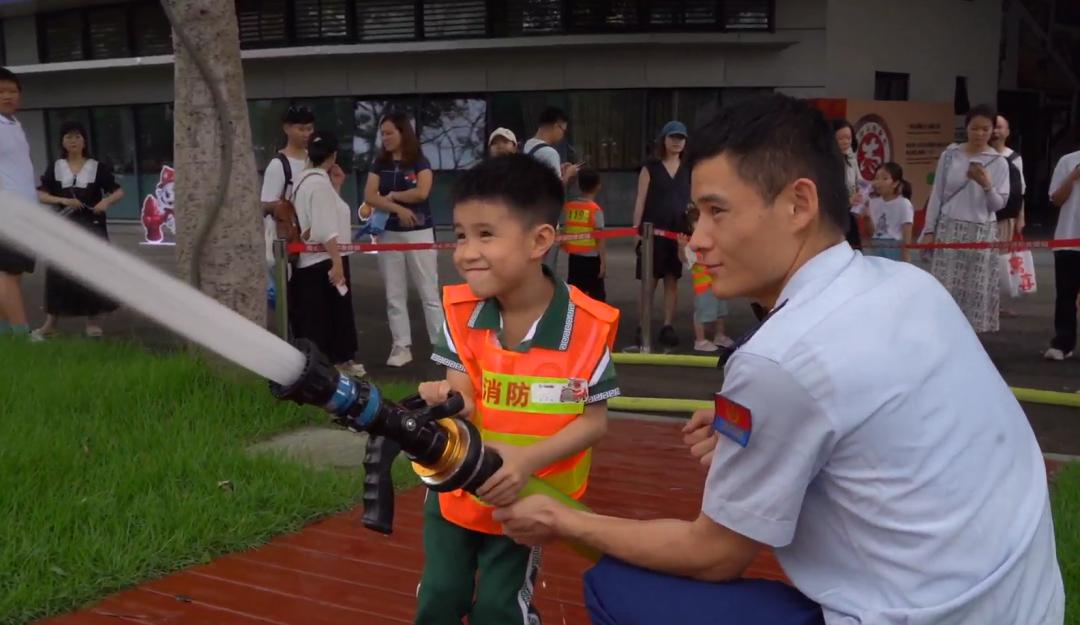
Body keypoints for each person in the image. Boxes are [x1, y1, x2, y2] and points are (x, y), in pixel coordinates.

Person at [493, 93, 1064, 625]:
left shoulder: (779, 360)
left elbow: (715, 554)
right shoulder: (907, 285)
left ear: (799, 203)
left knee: (615, 585)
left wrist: (562, 519)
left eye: (718, 212)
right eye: (695, 216)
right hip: (1027, 602)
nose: (697, 242)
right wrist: (759, 430)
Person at [416, 154, 620, 625]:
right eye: (461, 234)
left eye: (486, 234)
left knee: (498, 609)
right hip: (457, 487)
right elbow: (462, 396)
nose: (466, 252)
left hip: (527, 496)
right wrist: (446, 399)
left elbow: (595, 422)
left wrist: (525, 462)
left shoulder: (587, 328)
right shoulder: (461, 312)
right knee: (440, 597)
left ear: (539, 241)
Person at [919, 105, 1010, 334]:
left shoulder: (998, 162)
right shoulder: (950, 155)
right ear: (966, 128)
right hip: (950, 228)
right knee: (946, 287)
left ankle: (972, 341)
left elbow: (999, 205)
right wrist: (929, 230)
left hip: (981, 231)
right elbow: (937, 194)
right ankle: (942, 335)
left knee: (975, 291)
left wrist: (987, 185)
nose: (980, 134)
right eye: (975, 128)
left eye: (986, 129)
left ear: (993, 131)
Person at [364, 111, 444, 368]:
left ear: (402, 133)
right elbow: (370, 195)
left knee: (429, 293)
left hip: (420, 233)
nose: (385, 138)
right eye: (382, 134)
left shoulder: (420, 160)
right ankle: (401, 346)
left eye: (389, 133)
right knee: (394, 294)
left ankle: (441, 346)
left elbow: (422, 192)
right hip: (389, 233)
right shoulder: (380, 163)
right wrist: (397, 208)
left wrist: (392, 197)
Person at [32, 121, 123, 339]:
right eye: (68, 137)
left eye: (77, 137)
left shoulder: (97, 167)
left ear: (84, 141)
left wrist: (106, 202)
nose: (73, 141)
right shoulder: (55, 167)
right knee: (58, 272)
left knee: (91, 272)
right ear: (62, 142)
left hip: (92, 227)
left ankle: (92, 321)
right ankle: (51, 323)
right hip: (63, 226)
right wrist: (62, 200)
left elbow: (118, 191)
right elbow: (41, 194)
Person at [289, 131, 365, 378]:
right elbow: (325, 228)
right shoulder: (318, 185)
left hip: (312, 260)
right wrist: (336, 262)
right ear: (333, 156)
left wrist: (337, 187)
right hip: (324, 259)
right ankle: (336, 365)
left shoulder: (304, 181)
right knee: (332, 316)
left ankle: (322, 365)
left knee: (318, 316)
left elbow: (323, 218)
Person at [626, 121, 691, 351]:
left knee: (672, 279)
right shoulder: (650, 168)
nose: (677, 142)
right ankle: (642, 325)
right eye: (673, 137)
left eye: (681, 138)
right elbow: (640, 200)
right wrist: (637, 230)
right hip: (651, 231)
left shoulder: (688, 169)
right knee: (648, 281)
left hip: (677, 231)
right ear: (663, 139)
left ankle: (667, 325)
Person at [260, 105, 314, 304]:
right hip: (289, 243)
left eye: (309, 129)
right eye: (301, 129)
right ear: (287, 129)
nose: (306, 134)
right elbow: (265, 205)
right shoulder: (278, 164)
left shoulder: (314, 159)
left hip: (313, 241)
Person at [0, 67, 38, 338]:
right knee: (7, 273)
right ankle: (22, 334)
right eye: (1, 91)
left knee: (13, 272)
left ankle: (7, 333)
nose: (7, 96)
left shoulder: (14, 125)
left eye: (12, 91)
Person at [1043, 146, 1080, 361]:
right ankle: (1063, 343)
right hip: (1068, 238)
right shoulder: (1068, 160)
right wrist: (1073, 176)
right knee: (1065, 296)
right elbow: (1055, 199)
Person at [991, 114, 1026, 317]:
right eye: (993, 127)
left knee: (1001, 260)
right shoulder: (982, 155)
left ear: (1007, 132)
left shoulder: (1014, 158)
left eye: (1000, 127)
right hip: (983, 214)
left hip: (1005, 216)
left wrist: (1021, 216)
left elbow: (1020, 189)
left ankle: (997, 302)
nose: (995, 131)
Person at [683, 223, 733, 353]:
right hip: (704, 287)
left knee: (721, 312)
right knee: (701, 314)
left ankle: (719, 336)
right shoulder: (691, 248)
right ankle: (700, 340)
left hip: (717, 284)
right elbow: (688, 259)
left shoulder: (713, 244)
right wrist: (680, 246)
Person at [854, 161, 914, 262]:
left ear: (895, 183)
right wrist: (867, 217)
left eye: (884, 178)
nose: (879, 182)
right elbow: (871, 232)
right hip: (876, 247)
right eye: (876, 178)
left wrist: (905, 254)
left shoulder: (904, 203)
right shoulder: (873, 202)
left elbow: (907, 232)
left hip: (894, 247)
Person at [562, 168, 607, 302]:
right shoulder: (595, 210)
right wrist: (603, 263)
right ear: (598, 186)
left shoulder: (570, 207)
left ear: (579, 185)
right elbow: (600, 238)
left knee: (575, 296)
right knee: (597, 296)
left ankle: (575, 321)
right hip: (592, 259)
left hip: (574, 258)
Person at [522, 107, 579, 186]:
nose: (563, 135)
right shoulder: (550, 153)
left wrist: (558, 168)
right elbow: (556, 189)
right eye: (564, 131)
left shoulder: (528, 144)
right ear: (556, 126)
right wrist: (568, 175)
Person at [832, 119, 866, 251]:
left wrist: (863, 194)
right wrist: (848, 200)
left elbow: (859, 180)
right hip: (835, 215)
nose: (845, 142)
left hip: (850, 213)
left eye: (848, 138)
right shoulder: (828, 161)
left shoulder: (851, 157)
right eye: (840, 138)